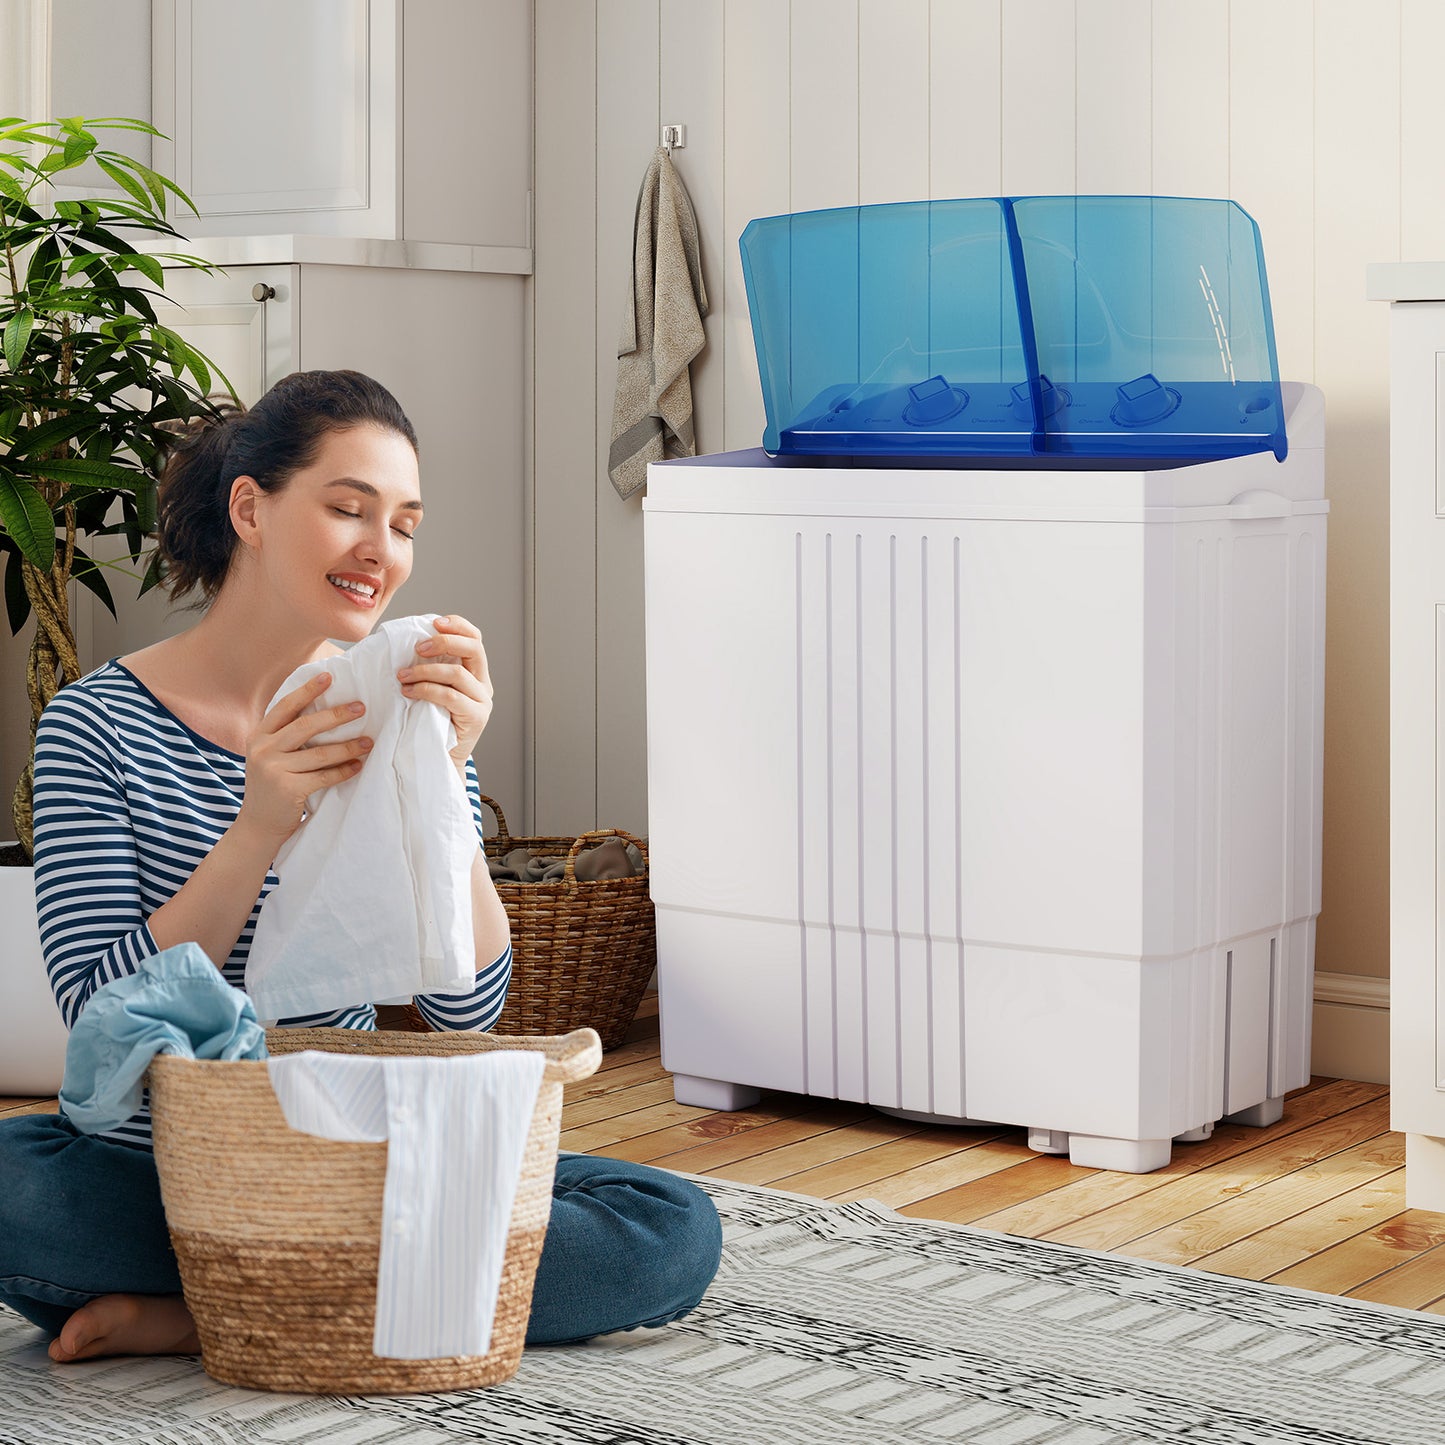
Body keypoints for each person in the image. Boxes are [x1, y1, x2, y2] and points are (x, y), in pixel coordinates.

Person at [0, 369, 721, 1363]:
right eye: (348, 509)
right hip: (164, 1164)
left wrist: (445, 779)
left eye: (405, 523)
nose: (382, 550)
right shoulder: (97, 725)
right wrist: (258, 825)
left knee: (668, 1222)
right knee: (18, 1183)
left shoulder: (401, 719)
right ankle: (384, 1292)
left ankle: (210, 1308)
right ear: (249, 508)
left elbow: (467, 1013)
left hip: (354, 1157)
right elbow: (99, 1016)